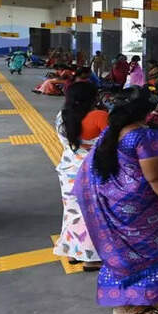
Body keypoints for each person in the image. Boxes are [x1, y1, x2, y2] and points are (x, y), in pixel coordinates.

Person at [73, 86, 158, 314]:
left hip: (116, 204)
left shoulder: (111, 132)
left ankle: (124, 299)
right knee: (156, 250)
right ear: (146, 111)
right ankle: (133, 303)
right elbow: (156, 178)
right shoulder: (145, 137)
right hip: (145, 208)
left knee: (124, 253)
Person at [53, 82, 108, 271]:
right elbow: (112, 143)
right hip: (91, 170)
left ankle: (73, 252)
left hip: (68, 169)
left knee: (72, 212)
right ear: (93, 97)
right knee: (91, 213)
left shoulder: (62, 116)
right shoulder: (99, 116)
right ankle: (90, 259)